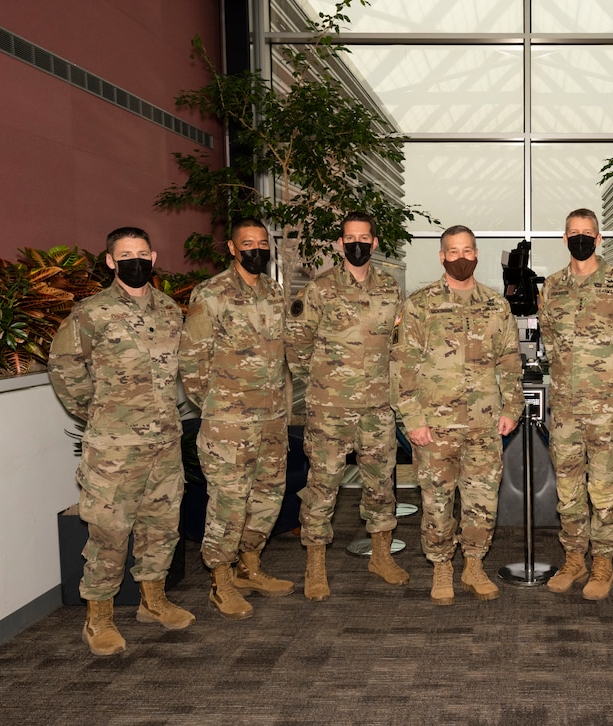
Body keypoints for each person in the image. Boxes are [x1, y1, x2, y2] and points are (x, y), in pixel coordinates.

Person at [49, 227, 194, 656]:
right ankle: (99, 618)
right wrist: (95, 411)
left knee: (161, 527)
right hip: (115, 447)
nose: (135, 260)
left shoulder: (170, 309)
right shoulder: (91, 312)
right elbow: (63, 364)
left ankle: (153, 601)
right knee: (109, 533)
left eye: (142, 253)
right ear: (111, 261)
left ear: (154, 256)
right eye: (125, 254)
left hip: (165, 441)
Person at [391, 225, 523, 605]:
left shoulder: (496, 305)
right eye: (454, 251)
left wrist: (512, 409)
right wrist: (413, 420)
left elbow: (510, 362)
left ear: (477, 254)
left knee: (483, 502)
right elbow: (403, 365)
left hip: (484, 424)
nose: (461, 257)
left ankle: (474, 565)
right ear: (442, 256)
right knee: (436, 502)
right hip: (435, 426)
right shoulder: (420, 304)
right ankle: (441, 566)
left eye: (468, 250)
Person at [286, 212, 408, 601]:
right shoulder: (319, 289)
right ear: (340, 244)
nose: (357, 244)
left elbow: (398, 343)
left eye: (364, 238)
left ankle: (381, 557)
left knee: (381, 484)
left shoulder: (390, 288)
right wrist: (324, 383)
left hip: (377, 408)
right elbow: (298, 345)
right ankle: (316, 566)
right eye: (349, 238)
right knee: (322, 487)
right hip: (330, 409)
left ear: (374, 243)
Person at [179, 218, 293, 619]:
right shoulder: (211, 294)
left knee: (267, 497)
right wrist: (216, 406)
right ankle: (220, 581)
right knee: (228, 503)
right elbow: (192, 361)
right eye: (248, 243)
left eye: (263, 243)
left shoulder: (274, 292)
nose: (257, 249)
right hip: (229, 424)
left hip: (273, 420)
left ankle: (250, 566)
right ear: (232, 248)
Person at [539, 208, 613, 601]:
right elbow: (549, 336)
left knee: (602, 490)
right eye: (573, 233)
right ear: (564, 239)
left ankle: (603, 562)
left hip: (605, 410)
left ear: (599, 239)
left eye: (588, 232)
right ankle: (574, 558)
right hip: (565, 408)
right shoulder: (551, 287)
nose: (581, 238)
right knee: (567, 490)